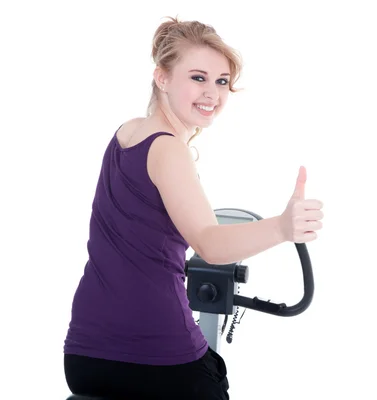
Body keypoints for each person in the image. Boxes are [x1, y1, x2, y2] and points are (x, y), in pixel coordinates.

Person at [63, 16, 324, 400]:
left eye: (222, 81)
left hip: (85, 357)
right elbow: (210, 245)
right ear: (162, 77)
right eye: (198, 78)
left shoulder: (126, 133)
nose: (213, 93)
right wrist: (282, 228)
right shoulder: (168, 147)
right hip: (157, 354)